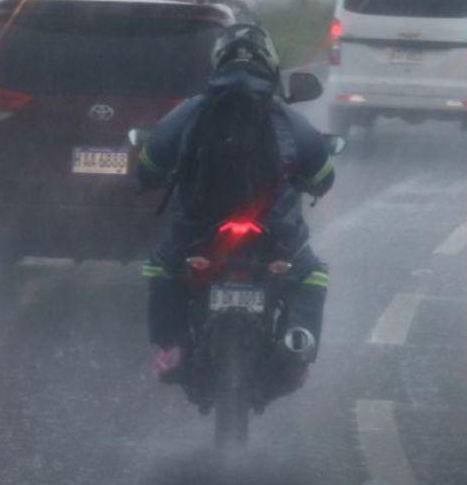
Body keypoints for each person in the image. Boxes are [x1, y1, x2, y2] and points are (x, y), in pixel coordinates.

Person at [134, 23, 334, 399]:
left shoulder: (192, 112)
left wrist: (152, 174)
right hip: (274, 231)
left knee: (161, 266)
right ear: (271, 68)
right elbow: (323, 174)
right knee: (311, 274)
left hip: (199, 230)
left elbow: (149, 163)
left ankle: (171, 345)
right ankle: (299, 342)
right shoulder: (283, 117)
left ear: (216, 65)